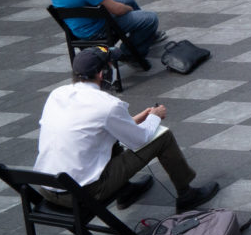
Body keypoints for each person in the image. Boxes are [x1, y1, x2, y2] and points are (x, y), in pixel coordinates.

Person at [33, 46, 219, 212]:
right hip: (83, 194)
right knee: (163, 137)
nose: (114, 68)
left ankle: (125, 190)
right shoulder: (107, 105)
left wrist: (134, 120)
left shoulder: (57, 94)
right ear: (101, 73)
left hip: (48, 187)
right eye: (112, 65)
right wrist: (155, 116)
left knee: (111, 138)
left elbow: (94, 128)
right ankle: (186, 195)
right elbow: (140, 139)